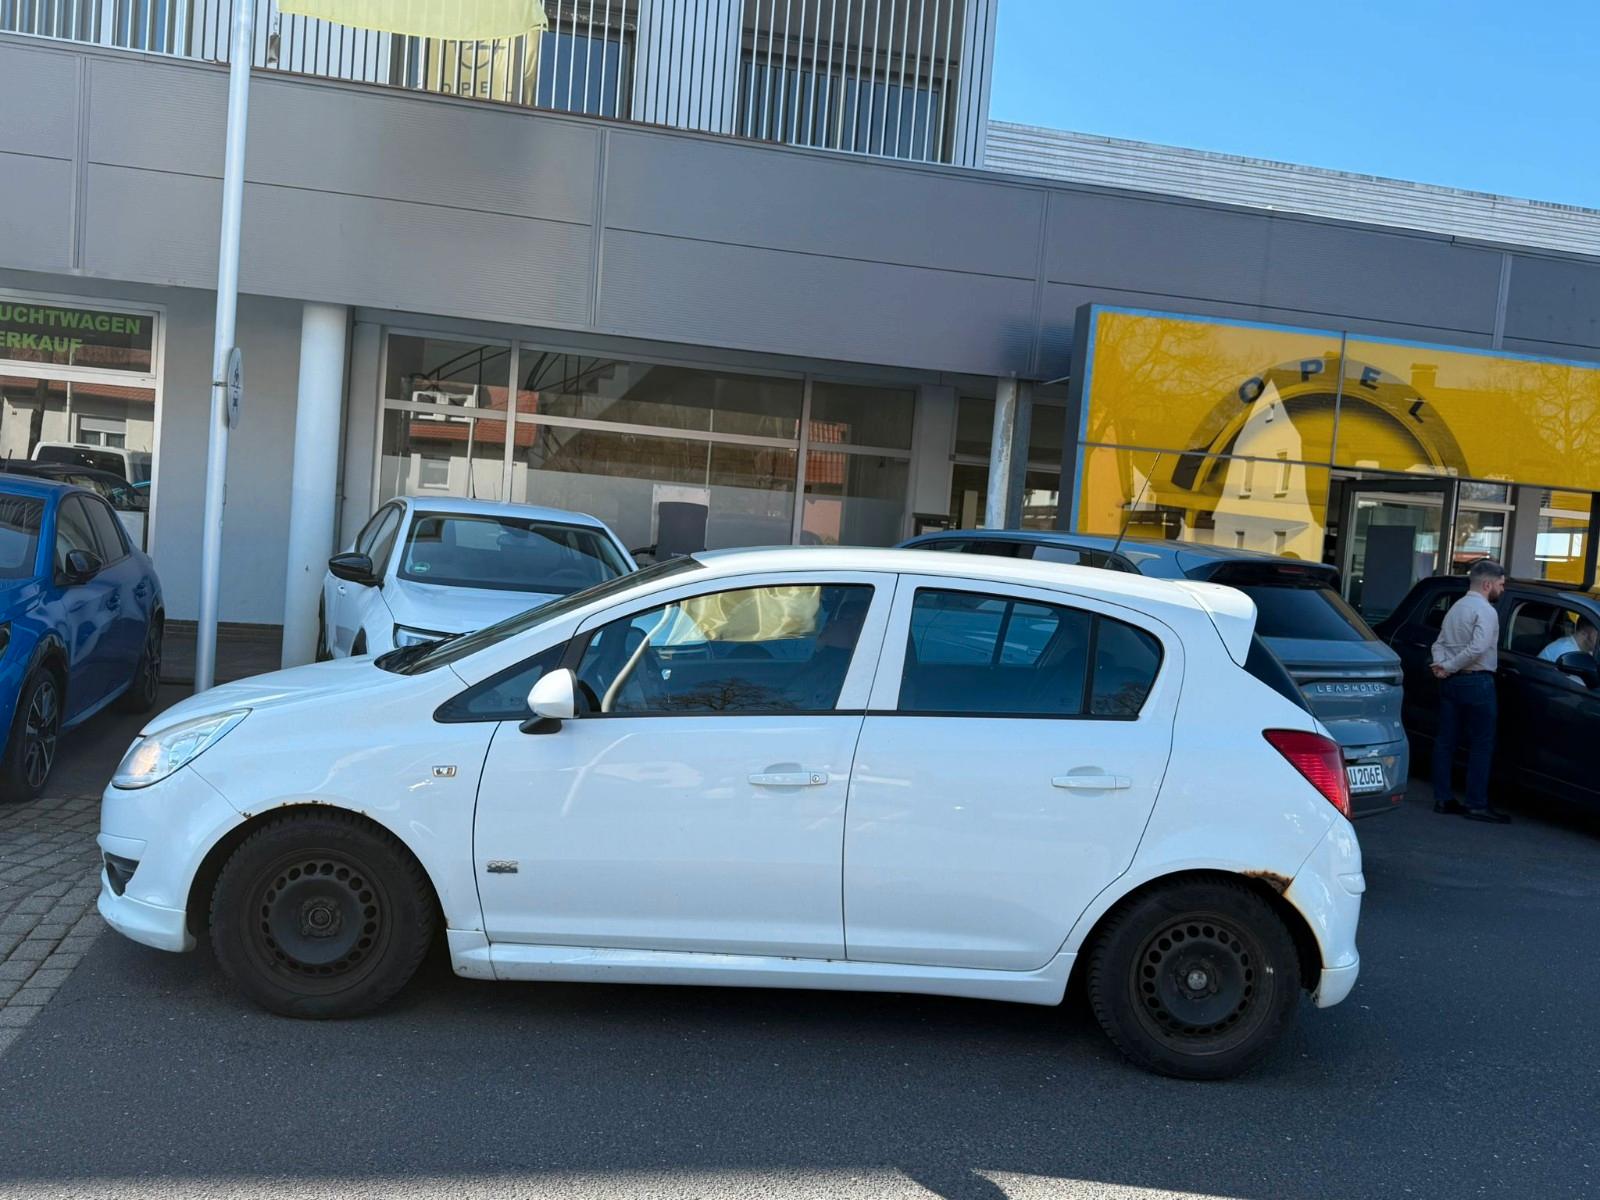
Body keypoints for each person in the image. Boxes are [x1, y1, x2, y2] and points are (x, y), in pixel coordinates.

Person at [1430, 559, 1510, 823]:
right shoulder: (1486, 611)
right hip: (1476, 682)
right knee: (1481, 745)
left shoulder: (1456, 607)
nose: (1502, 589)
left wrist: (1441, 666)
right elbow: (1478, 648)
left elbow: (1439, 642)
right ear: (1487, 584)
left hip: (1450, 683)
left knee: (1446, 742)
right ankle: (1476, 803)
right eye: (1500, 584)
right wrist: (1449, 666)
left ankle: (1443, 798)